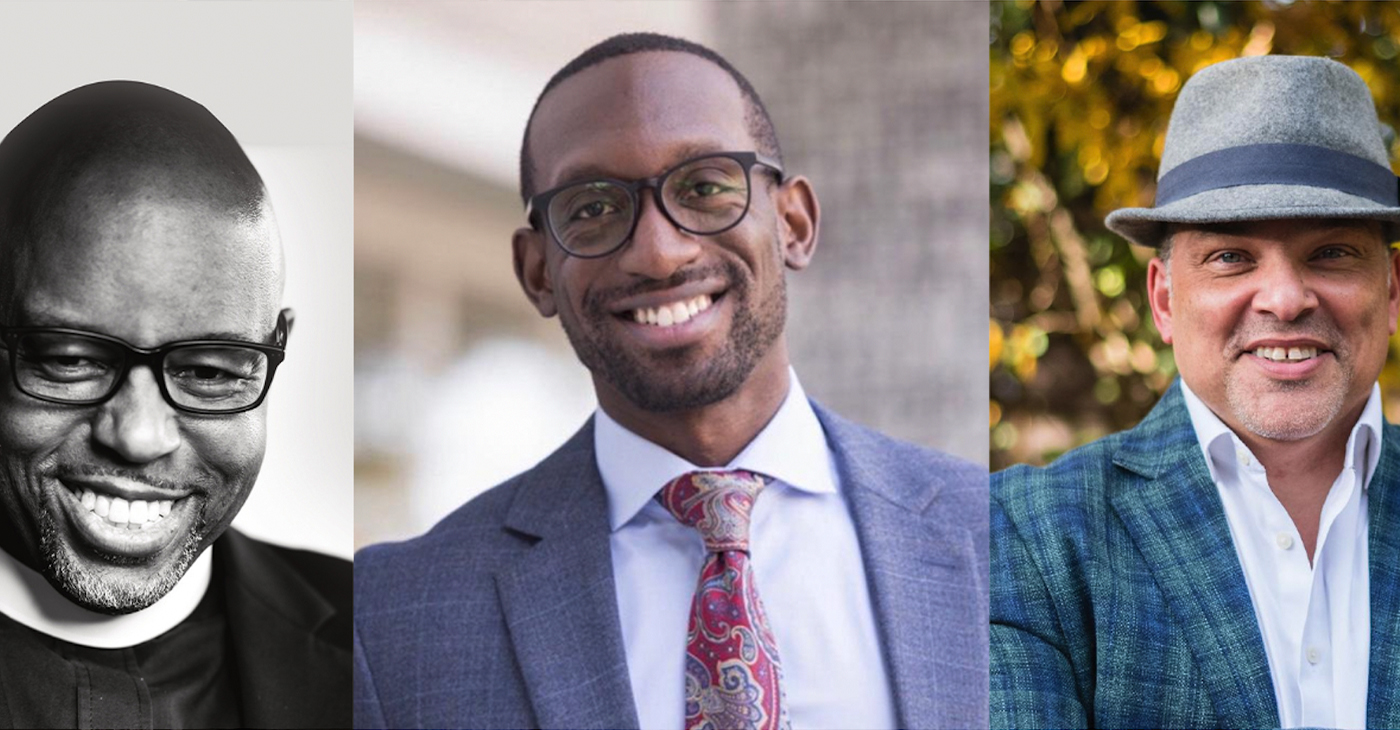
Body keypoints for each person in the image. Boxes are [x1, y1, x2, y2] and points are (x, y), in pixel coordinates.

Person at [354, 32, 987, 730]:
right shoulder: (392, 620)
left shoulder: (992, 534)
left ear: (794, 223)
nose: (659, 253)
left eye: (706, 187)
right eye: (592, 208)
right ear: (537, 271)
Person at [991, 55, 1400, 729]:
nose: (1285, 299)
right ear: (1163, 300)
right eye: (1231, 257)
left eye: (1331, 253)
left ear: (1390, 291)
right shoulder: (1026, 535)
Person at [0, 81, 350, 729]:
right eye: (71, 359)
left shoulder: (379, 642)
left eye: (210, 371)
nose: (138, 436)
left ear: (276, 350)